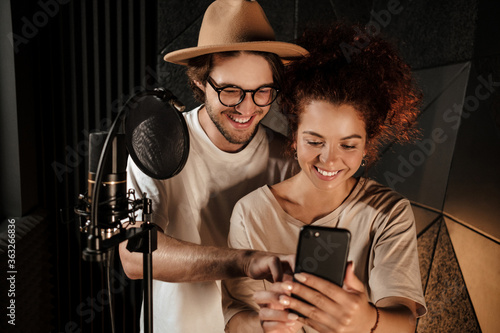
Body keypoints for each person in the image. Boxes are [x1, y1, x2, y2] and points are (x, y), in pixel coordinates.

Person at [222, 22, 427, 333]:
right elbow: (236, 317)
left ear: (368, 142)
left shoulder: (389, 212)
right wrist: (262, 325)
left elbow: (404, 320)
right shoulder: (251, 214)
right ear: (294, 136)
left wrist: (366, 320)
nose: (329, 159)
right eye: (314, 141)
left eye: (348, 145)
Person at [118, 0, 308, 332]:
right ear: (200, 82)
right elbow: (135, 257)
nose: (246, 108)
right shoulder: (157, 144)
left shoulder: (289, 158)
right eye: (230, 90)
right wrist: (245, 262)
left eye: (262, 92)